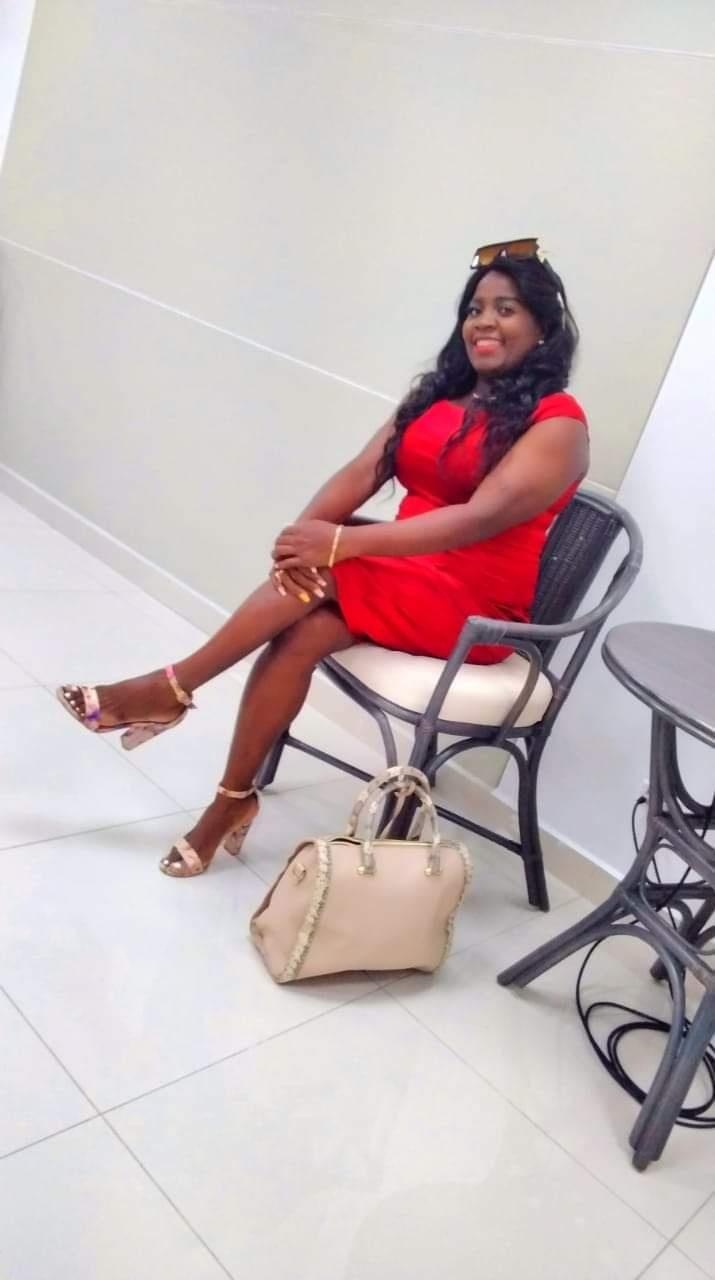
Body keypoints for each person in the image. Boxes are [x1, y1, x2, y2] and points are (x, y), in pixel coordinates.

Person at [58, 238, 589, 878]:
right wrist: (303, 537)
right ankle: (230, 800)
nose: (484, 322)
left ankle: (169, 688)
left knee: (329, 566)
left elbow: (477, 519)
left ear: (542, 326)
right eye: (475, 309)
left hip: (475, 608)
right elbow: (362, 470)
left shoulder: (559, 423)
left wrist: (340, 544)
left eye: (506, 309)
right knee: (302, 628)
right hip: (409, 574)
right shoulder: (441, 396)